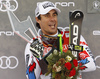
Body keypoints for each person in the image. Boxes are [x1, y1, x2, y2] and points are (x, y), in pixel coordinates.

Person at [25, 1, 96, 79]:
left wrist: (67, 66)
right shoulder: (33, 44)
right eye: (47, 15)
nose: (52, 19)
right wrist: (39, 57)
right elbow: (31, 77)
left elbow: (91, 64)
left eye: (54, 15)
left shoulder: (72, 36)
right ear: (38, 19)